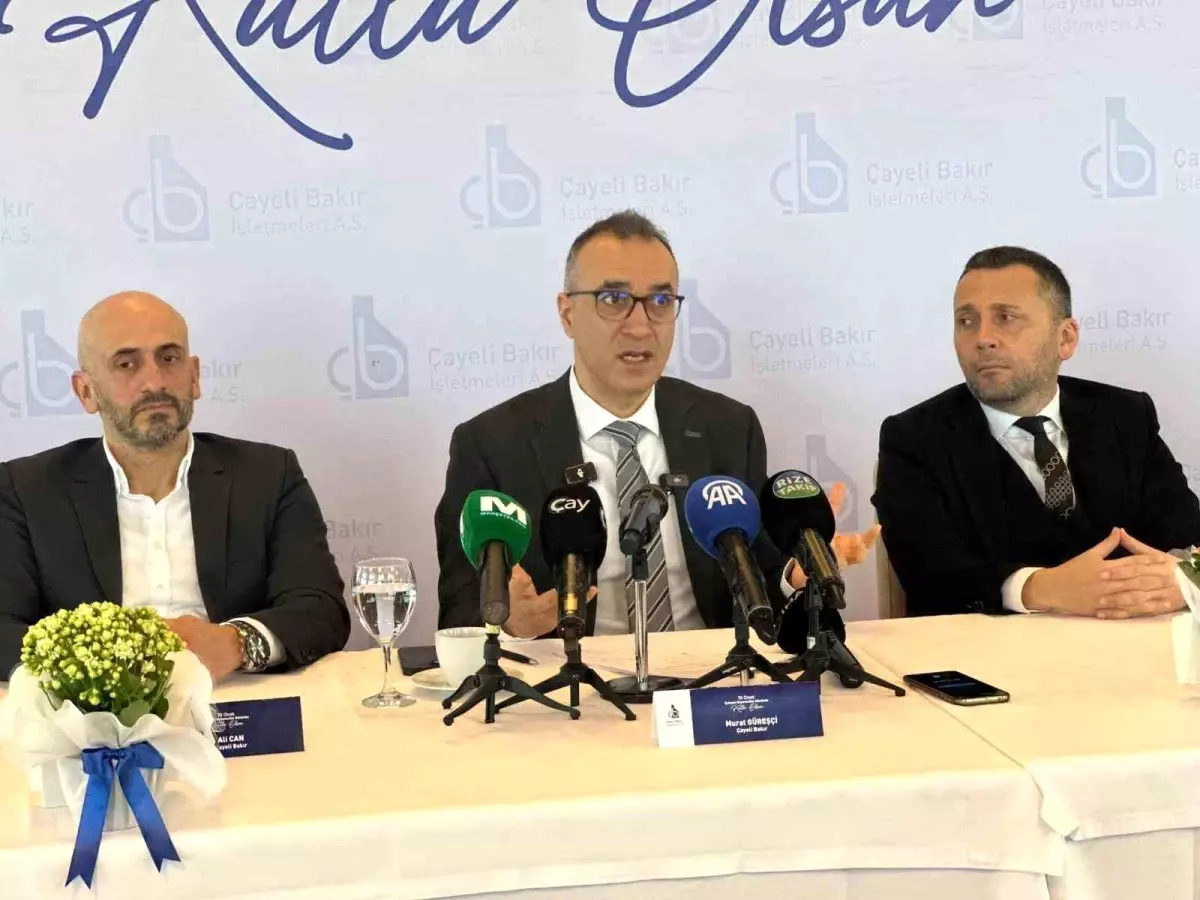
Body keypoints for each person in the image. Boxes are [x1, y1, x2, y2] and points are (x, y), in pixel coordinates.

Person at [436, 211, 876, 642]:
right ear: (567, 314)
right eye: (614, 299)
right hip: (570, 679)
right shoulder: (493, 444)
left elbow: (758, 569)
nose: (640, 326)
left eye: (661, 302)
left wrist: (796, 574)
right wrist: (509, 624)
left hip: (708, 674)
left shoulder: (728, 427)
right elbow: (459, 607)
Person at [0, 292, 349, 679]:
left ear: (194, 376)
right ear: (86, 391)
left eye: (168, 359)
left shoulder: (269, 475)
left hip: (237, 695)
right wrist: (111, 663)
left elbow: (320, 609)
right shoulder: (26, 490)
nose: (155, 382)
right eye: (127, 363)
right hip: (94, 709)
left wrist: (236, 643)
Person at [873, 246, 1200, 619]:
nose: (983, 338)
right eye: (966, 320)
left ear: (1065, 338)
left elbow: (1188, 540)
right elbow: (928, 574)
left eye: (1006, 317)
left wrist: (1182, 579)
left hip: (1129, 642)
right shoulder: (913, 438)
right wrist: (1040, 588)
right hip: (989, 650)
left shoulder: (1125, 415)